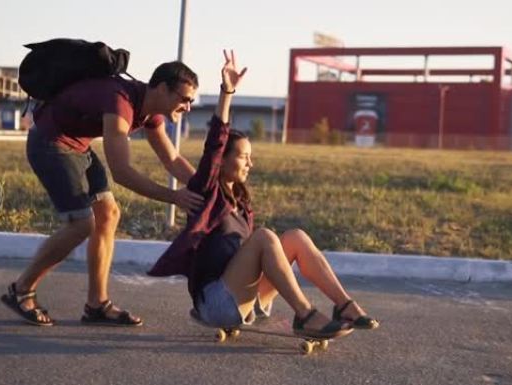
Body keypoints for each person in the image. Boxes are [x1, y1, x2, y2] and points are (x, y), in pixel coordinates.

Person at [148, 51, 379, 338]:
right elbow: (215, 142)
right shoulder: (206, 191)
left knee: (294, 236)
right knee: (265, 236)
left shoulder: (241, 204)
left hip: (243, 295)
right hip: (215, 303)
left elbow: (253, 259)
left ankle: (343, 305)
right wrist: (227, 92)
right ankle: (305, 314)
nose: (250, 164)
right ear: (223, 161)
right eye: (244, 157)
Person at [1, 60, 205, 326]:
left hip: (77, 146)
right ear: (164, 89)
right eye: (185, 99)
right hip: (50, 143)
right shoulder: (120, 102)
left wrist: (209, 188)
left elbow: (172, 159)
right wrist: (175, 197)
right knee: (81, 224)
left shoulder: (150, 110)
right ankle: (21, 290)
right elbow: (122, 172)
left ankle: (97, 305)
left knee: (108, 214)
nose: (188, 107)